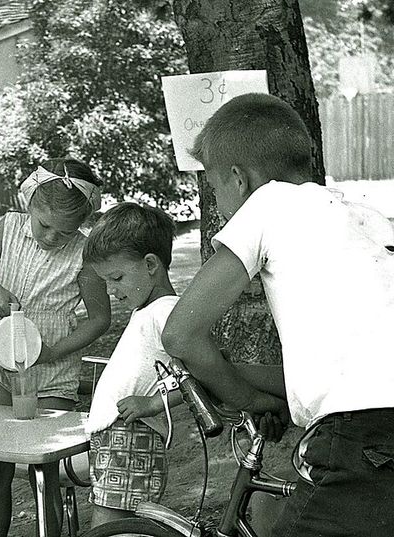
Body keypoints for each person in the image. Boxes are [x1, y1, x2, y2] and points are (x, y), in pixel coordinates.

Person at [161, 92, 394, 537]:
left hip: (365, 435)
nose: (217, 204)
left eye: (213, 189)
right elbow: (349, 368)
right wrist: (239, 374)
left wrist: (244, 400)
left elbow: (181, 335)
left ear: (238, 179)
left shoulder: (266, 205)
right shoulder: (368, 218)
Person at [0, 157, 111, 537]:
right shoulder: (9, 227)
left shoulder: (83, 253)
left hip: (53, 374)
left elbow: (99, 318)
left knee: (43, 472)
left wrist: (55, 351)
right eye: (45, 225)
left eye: (63, 233)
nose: (51, 238)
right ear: (30, 203)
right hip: (3, 365)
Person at [82, 202, 183, 528]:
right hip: (117, 436)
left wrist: (153, 403)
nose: (111, 291)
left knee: (110, 527)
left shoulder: (167, 311)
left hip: (132, 435)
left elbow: (192, 374)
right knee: (117, 527)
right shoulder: (149, 309)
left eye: (117, 277)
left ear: (151, 264)